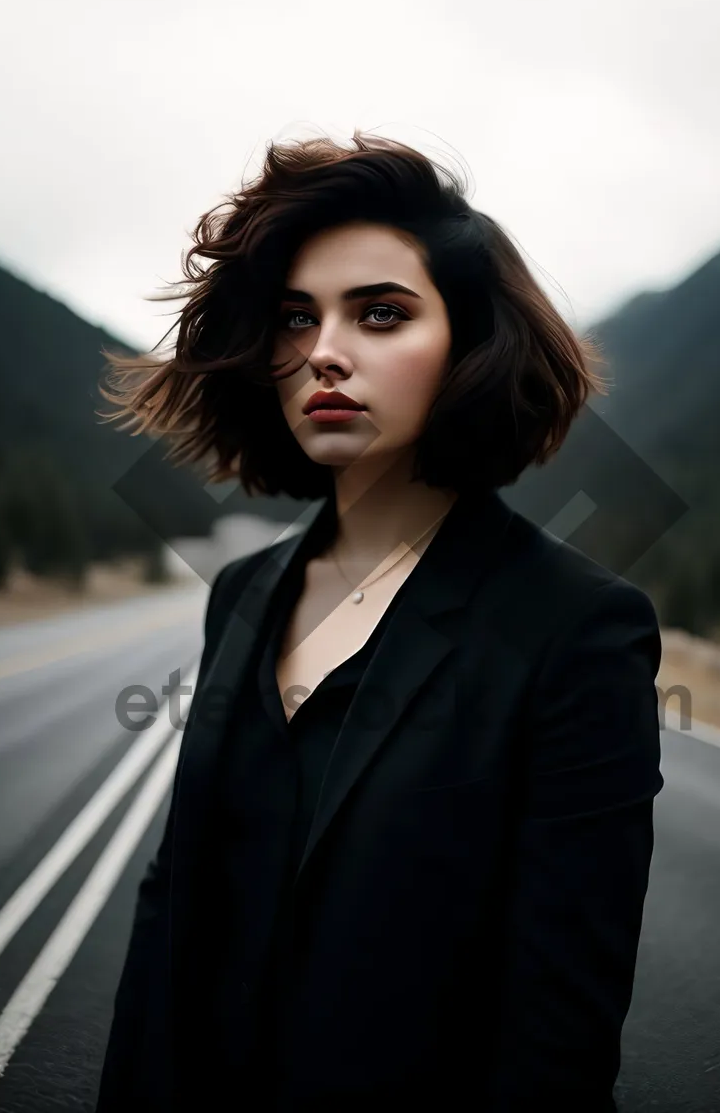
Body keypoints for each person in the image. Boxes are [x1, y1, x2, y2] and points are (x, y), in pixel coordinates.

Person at [93, 131, 664, 1112]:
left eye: (382, 314)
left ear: (473, 344)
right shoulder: (242, 593)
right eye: (292, 320)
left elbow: (559, 1025)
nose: (322, 352)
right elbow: (174, 901)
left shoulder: (578, 628)